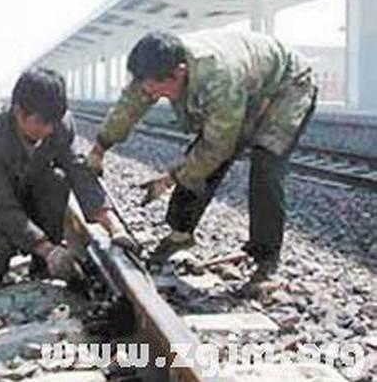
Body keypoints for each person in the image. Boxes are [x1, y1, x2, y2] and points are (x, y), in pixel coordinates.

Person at [88, 29, 317, 283]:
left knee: (264, 163)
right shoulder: (153, 69)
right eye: (149, 90)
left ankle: (265, 256)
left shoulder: (218, 77)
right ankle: (180, 235)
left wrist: (170, 178)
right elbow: (128, 107)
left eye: (160, 91)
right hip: (250, 86)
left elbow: (216, 147)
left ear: (180, 72)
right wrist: (99, 148)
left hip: (288, 86)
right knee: (202, 158)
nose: (153, 95)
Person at [0, 67, 134, 291]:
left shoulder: (58, 125)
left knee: (57, 180)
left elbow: (78, 170)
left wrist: (113, 225)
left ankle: (41, 267)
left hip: (23, 196)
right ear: (18, 111)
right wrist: (48, 249)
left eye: (54, 122)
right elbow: (1, 207)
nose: (49, 129)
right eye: (42, 122)